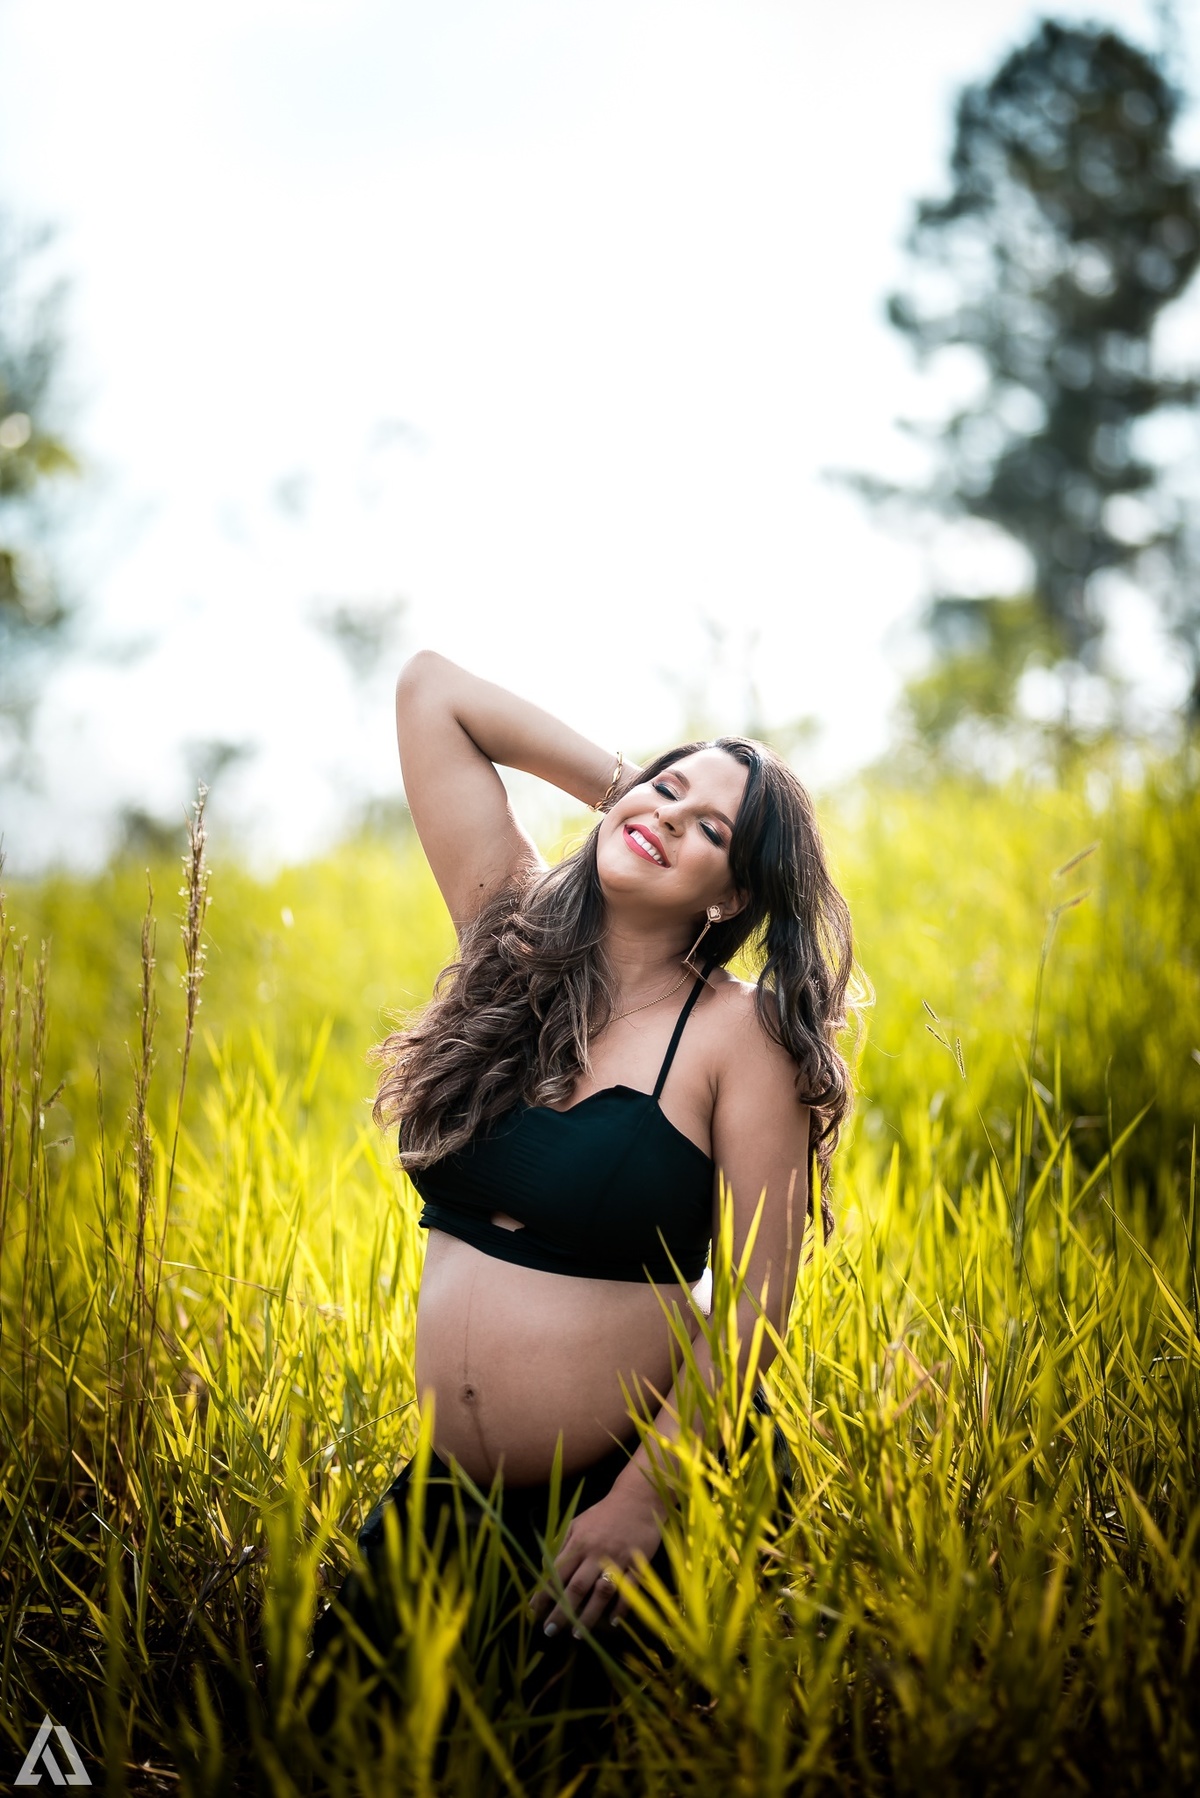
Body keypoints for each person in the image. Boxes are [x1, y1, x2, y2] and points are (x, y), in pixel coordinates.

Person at [305, 649, 856, 1756]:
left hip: (619, 1506)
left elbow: (756, 1305)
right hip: (447, 1496)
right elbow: (431, 692)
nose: (668, 812)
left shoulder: (742, 1038)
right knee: (324, 1753)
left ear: (735, 894)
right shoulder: (509, 943)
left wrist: (646, 1499)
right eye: (668, 784)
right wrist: (635, 798)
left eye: (711, 829)